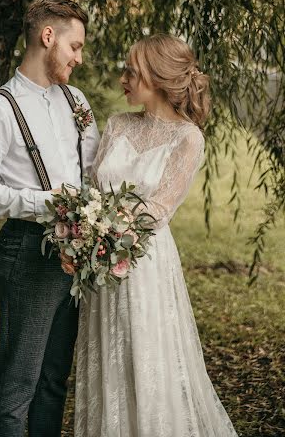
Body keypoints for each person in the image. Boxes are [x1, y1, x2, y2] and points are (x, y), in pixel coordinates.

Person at [75, 34, 238, 437]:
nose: (122, 79)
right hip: (100, 259)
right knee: (109, 359)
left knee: (146, 356)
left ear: (160, 77)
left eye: (132, 71)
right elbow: (92, 189)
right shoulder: (117, 124)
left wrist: (108, 229)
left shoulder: (188, 138)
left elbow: (159, 208)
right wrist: (89, 230)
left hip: (144, 261)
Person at [0, 0, 100, 437]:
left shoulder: (76, 100)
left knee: (54, 380)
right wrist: (42, 202)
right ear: (47, 37)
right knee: (19, 383)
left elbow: (93, 167)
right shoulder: (0, 109)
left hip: (74, 254)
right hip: (27, 251)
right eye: (74, 46)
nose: (79, 57)